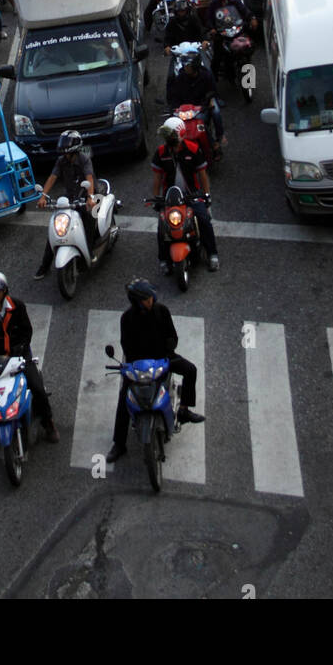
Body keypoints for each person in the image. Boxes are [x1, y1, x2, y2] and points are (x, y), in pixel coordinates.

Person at [105, 278, 204, 463]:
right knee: (124, 399)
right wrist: (134, 366)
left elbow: (172, 336)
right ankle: (119, 443)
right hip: (139, 366)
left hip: (163, 358)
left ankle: (183, 410)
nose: (150, 300)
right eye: (146, 299)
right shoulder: (126, 319)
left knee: (191, 370)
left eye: (150, 297)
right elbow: (126, 346)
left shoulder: (162, 311)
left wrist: (168, 349)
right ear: (136, 301)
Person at [0, 272, 59, 446]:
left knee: (37, 387)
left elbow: (27, 330)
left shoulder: (18, 306)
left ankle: (48, 423)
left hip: (19, 355)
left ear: (4, 291)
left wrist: (20, 347)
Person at [151, 120, 219, 270]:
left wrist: (206, 195)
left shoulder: (193, 149)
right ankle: (163, 259)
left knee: (203, 219)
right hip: (170, 198)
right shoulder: (161, 153)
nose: (169, 141)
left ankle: (212, 253)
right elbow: (157, 179)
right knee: (162, 225)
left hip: (192, 195)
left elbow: (203, 175)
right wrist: (156, 199)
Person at [34, 130, 99, 279]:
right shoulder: (61, 161)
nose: (65, 154)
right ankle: (45, 266)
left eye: (66, 151)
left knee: (88, 218)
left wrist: (90, 197)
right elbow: (52, 177)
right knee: (55, 225)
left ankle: (88, 252)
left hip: (85, 194)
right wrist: (43, 196)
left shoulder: (84, 159)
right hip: (70, 196)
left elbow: (89, 178)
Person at [166, 50, 225, 147]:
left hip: (202, 108)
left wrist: (207, 104)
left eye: (188, 66)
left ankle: (216, 140)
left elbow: (212, 92)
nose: (186, 68)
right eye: (185, 65)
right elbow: (175, 96)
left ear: (195, 66)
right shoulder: (180, 78)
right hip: (187, 110)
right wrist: (174, 109)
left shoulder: (207, 76)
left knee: (205, 121)